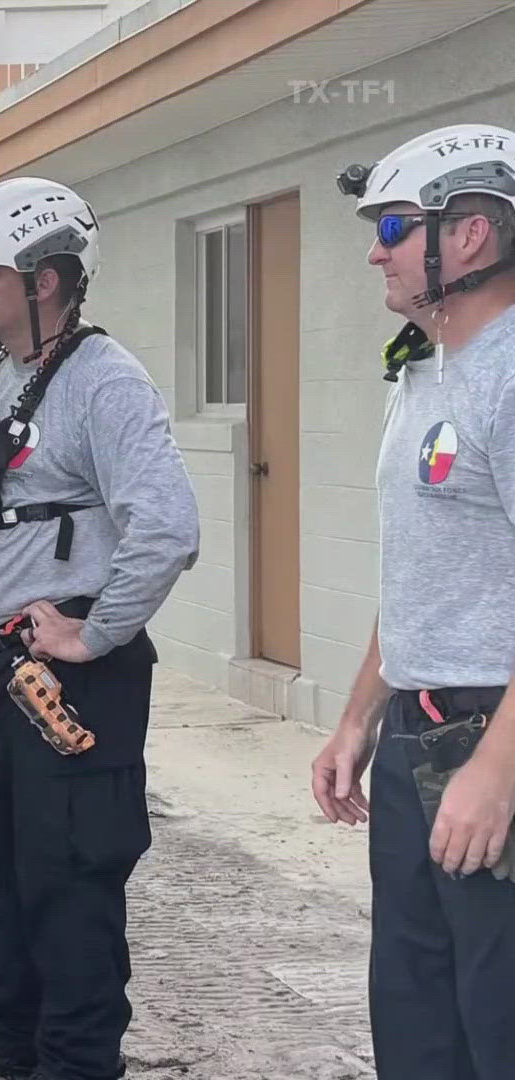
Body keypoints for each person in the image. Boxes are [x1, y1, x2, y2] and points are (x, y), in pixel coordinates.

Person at [0, 177, 199, 1080]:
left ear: (49, 279)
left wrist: (93, 633)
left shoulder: (104, 382)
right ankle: (5, 1037)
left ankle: (73, 1060)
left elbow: (169, 527)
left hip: (63, 680)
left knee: (68, 885)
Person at [314, 123, 515, 1080]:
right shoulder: (425, 371)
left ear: (470, 235)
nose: (375, 249)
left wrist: (496, 773)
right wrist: (360, 717)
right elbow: (421, 574)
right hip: (414, 737)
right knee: (416, 1015)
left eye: (394, 224)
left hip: (493, 740)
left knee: (497, 1019)